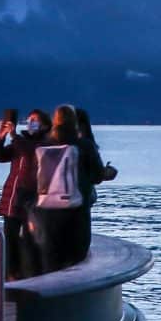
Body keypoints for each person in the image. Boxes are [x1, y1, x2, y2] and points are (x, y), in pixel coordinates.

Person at [28, 106, 88, 274]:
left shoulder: (44, 144)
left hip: (47, 207)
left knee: (50, 256)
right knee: (74, 256)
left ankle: (49, 292)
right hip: (73, 207)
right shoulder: (82, 145)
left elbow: (35, 173)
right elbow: (95, 174)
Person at [0, 109, 48, 278]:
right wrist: (0, 137)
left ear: (44, 124)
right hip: (12, 198)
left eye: (35, 120)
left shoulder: (45, 143)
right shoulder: (21, 142)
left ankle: (33, 274)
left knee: (32, 240)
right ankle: (11, 274)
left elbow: (30, 153)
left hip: (33, 199)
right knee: (11, 240)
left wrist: (14, 136)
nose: (31, 124)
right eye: (29, 120)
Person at [73, 107, 117, 264]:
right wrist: (106, 172)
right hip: (81, 199)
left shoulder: (51, 143)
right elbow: (97, 175)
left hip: (53, 199)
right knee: (80, 239)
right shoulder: (87, 145)